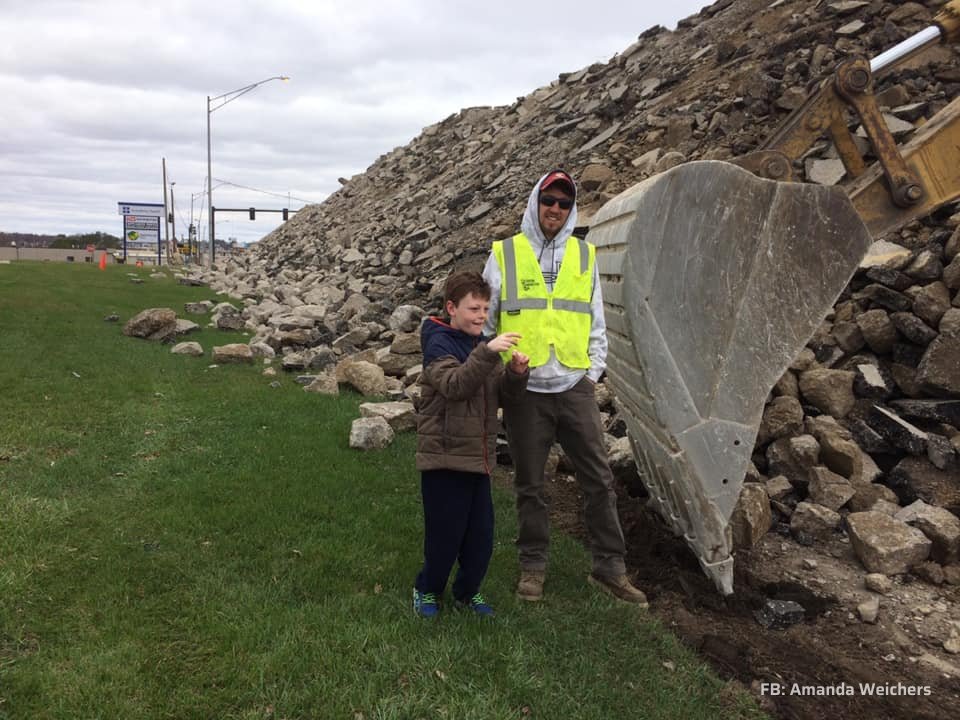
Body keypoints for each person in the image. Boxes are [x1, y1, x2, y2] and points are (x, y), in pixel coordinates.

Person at [482, 169, 648, 606]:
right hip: (525, 389)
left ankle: (610, 568)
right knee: (530, 484)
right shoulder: (504, 255)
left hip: (574, 384)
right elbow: (486, 323)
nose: (554, 208)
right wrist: (501, 374)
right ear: (535, 202)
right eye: (548, 200)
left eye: (563, 202)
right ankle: (533, 566)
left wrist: (592, 373)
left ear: (571, 209)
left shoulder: (584, 255)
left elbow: (596, 318)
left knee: (599, 479)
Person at [413, 270, 530, 618]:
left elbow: (504, 397)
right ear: (451, 308)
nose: (481, 316)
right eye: (473, 309)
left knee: (479, 537)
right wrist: (489, 353)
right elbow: (454, 385)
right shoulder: (438, 343)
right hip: (444, 459)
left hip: (477, 459)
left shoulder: (482, 345)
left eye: (484, 309)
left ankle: (467, 592)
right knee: (444, 536)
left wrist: (517, 375)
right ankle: (427, 590)